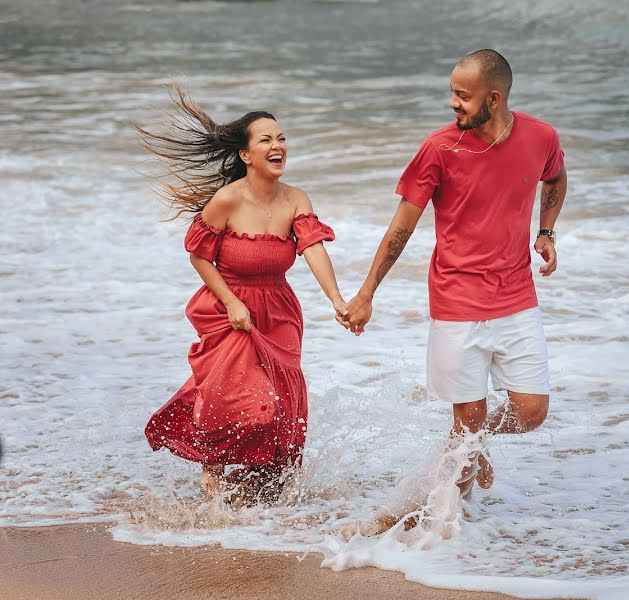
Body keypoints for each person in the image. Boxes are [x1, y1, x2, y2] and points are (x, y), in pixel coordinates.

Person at [343, 49, 567, 507]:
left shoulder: (541, 136)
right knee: (465, 431)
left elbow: (557, 178)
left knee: (531, 412)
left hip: (516, 296)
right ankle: (449, 533)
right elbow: (400, 227)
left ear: (494, 98)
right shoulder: (440, 148)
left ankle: (476, 440)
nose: (453, 103)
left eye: (463, 96)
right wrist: (367, 293)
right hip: (457, 301)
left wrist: (546, 231)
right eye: (453, 93)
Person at [137, 87, 347, 500]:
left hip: (279, 308)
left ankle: (268, 486)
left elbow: (313, 250)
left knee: (281, 406)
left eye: (282, 138)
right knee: (245, 400)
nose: (278, 146)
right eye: (266, 139)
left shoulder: (296, 198)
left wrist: (338, 301)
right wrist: (232, 302)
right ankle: (212, 465)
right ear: (246, 155)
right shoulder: (227, 200)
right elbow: (199, 256)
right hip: (228, 304)